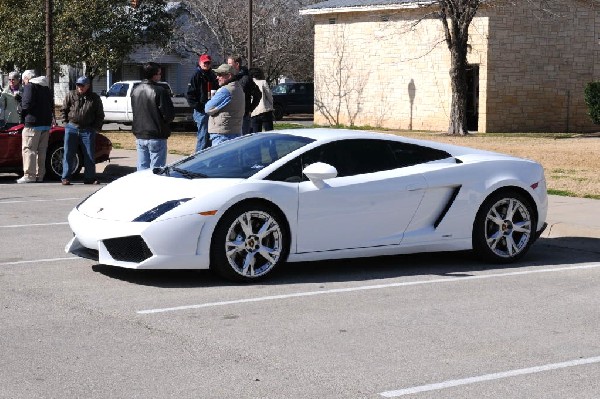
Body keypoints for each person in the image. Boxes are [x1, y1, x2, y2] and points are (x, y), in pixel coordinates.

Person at [60, 76, 105, 185]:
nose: (80, 87)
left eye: (82, 85)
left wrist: (95, 129)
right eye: (78, 85)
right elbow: (63, 110)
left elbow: (100, 115)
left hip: (88, 129)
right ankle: (65, 177)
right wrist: (66, 124)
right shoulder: (70, 95)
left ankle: (89, 178)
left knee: (89, 154)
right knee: (68, 153)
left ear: (88, 86)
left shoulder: (94, 98)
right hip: (72, 128)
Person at [131, 62, 175, 170]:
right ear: (154, 75)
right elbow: (168, 114)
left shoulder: (135, 90)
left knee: (142, 169)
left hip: (140, 134)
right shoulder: (160, 91)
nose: (160, 76)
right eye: (159, 73)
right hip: (156, 134)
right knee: (156, 171)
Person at [17, 70, 53, 183]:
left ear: (27, 78)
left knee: (29, 149)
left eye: (23, 80)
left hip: (32, 123)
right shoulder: (46, 87)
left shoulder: (30, 86)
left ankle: (29, 175)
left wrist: (20, 109)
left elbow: (26, 104)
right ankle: (40, 175)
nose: (23, 83)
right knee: (41, 151)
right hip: (45, 123)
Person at [204, 64, 245, 146]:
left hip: (222, 134)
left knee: (220, 159)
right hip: (235, 131)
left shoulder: (225, 91)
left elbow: (208, 108)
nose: (217, 77)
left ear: (229, 75)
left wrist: (213, 99)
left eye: (220, 75)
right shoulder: (238, 88)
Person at [187, 54, 218, 152]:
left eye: (208, 62)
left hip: (212, 110)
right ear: (200, 63)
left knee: (210, 138)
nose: (207, 64)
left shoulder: (212, 75)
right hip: (201, 111)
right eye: (205, 62)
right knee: (203, 136)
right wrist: (199, 107)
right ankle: (198, 160)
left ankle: (207, 161)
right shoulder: (196, 75)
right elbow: (190, 95)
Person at [227, 55, 261, 135]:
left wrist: (250, 109)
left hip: (243, 115)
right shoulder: (228, 78)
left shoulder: (246, 78)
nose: (228, 66)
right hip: (230, 115)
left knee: (242, 140)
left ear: (237, 64)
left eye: (229, 64)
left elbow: (258, 94)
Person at [248, 68, 274, 132]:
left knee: (256, 134)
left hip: (254, 112)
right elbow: (269, 96)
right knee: (269, 132)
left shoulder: (249, 83)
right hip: (265, 110)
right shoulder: (263, 82)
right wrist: (271, 105)